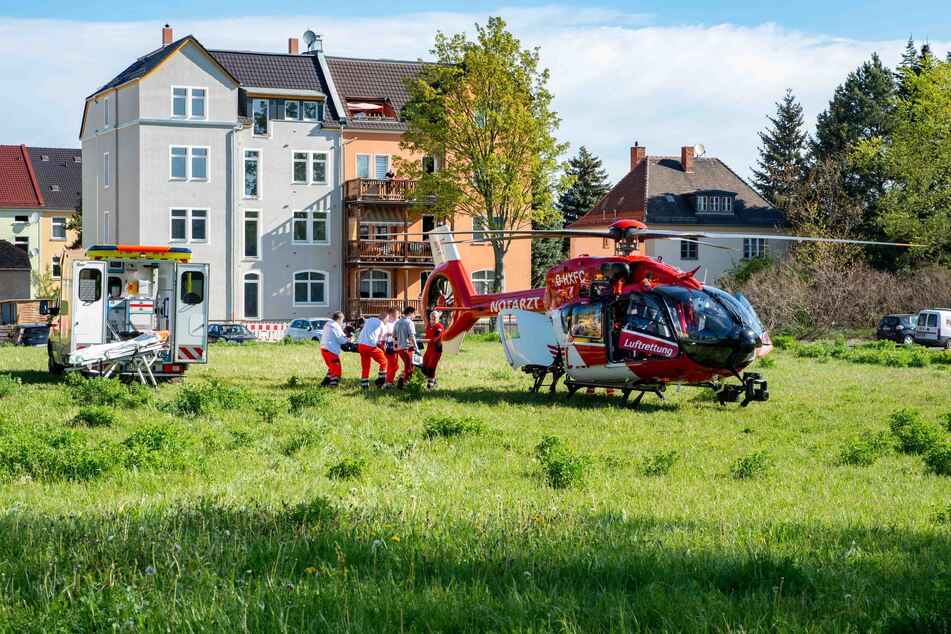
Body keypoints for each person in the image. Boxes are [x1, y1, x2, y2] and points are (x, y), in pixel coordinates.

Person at [357, 309, 393, 389]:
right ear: (385, 319)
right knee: (384, 361)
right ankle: (380, 381)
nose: (387, 322)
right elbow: (383, 343)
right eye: (387, 321)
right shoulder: (382, 326)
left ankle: (364, 384)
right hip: (370, 346)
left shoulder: (370, 319)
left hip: (360, 344)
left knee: (366, 365)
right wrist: (384, 352)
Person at [390, 306, 419, 389]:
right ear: (410, 313)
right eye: (414, 314)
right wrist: (416, 348)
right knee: (410, 368)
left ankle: (402, 381)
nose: (414, 316)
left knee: (407, 366)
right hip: (407, 348)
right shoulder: (409, 322)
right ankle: (404, 384)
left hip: (400, 349)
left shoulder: (397, 322)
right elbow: (412, 336)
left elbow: (393, 335)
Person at [319, 312, 350, 387]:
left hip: (324, 348)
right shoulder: (335, 326)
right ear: (339, 319)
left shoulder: (327, 324)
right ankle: (333, 385)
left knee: (331, 367)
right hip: (331, 350)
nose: (342, 322)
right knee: (336, 368)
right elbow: (341, 340)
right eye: (342, 320)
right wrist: (348, 339)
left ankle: (325, 382)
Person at [421, 310, 445, 388]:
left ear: (438, 319)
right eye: (432, 319)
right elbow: (427, 337)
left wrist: (421, 340)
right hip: (429, 349)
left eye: (435, 319)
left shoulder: (440, 327)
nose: (433, 321)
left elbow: (434, 340)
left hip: (436, 350)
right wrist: (417, 337)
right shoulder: (428, 326)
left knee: (432, 367)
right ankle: (433, 380)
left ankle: (431, 383)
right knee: (423, 366)